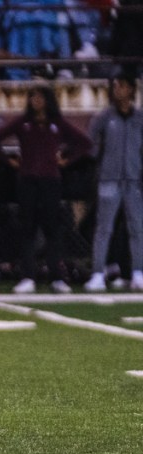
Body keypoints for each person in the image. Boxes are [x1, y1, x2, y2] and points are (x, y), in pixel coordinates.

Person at [0, 84, 92, 294]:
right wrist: (9, 161)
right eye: (33, 97)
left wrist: (66, 159)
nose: (36, 101)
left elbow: (84, 143)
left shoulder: (57, 123)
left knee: (52, 229)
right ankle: (28, 277)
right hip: (27, 181)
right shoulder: (22, 123)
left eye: (40, 97)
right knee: (28, 229)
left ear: (48, 100)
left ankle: (57, 277)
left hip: (51, 181)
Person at [84, 72, 143, 293]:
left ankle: (138, 273)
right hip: (109, 179)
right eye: (115, 85)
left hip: (133, 180)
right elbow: (90, 145)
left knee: (137, 229)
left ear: (130, 90)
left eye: (121, 85)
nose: (117, 89)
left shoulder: (139, 118)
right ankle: (98, 273)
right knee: (103, 229)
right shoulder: (103, 117)